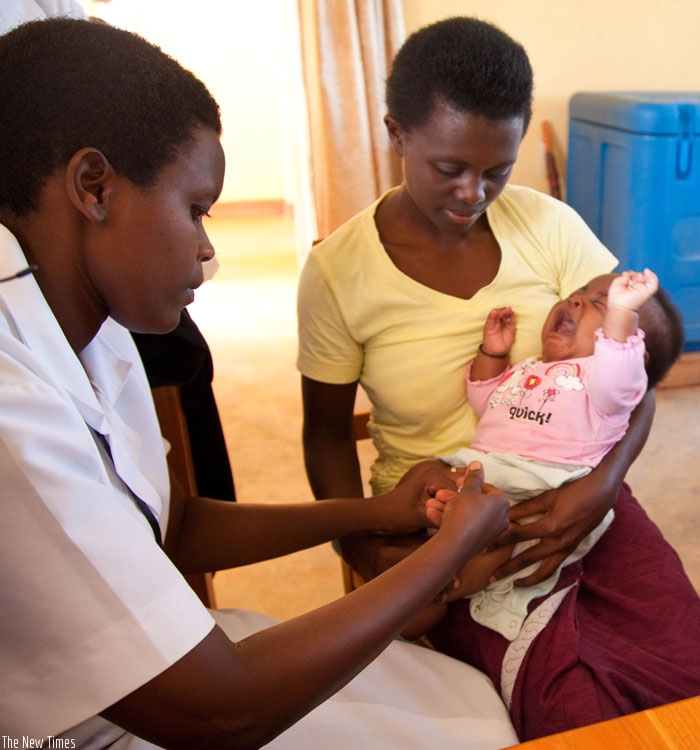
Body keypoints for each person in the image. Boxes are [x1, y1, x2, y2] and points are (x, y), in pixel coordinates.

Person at [0, 18, 521, 749]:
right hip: (91, 725)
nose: (209, 247)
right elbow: (218, 713)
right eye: (195, 209)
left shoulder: (96, 329)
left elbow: (173, 526)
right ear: (95, 187)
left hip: (168, 672)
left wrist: (373, 514)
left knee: (472, 702)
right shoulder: (12, 403)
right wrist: (451, 548)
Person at [297, 15, 700, 741]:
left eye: (497, 168)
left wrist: (603, 483)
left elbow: (633, 366)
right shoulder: (338, 273)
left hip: (580, 489)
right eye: (448, 167)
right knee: (567, 703)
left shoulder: (548, 225)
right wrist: (363, 551)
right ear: (397, 132)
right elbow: (324, 434)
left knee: (680, 658)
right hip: (450, 521)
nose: (473, 193)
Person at [406, 269, 684, 642]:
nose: (576, 299)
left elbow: (618, 369)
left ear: (631, 355)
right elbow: (487, 402)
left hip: (542, 485)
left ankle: (445, 588)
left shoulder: (608, 389)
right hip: (486, 473)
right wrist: (493, 352)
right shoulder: (533, 367)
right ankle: (425, 569)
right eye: (577, 292)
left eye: (598, 303)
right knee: (424, 477)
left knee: (498, 541)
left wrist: (621, 312)